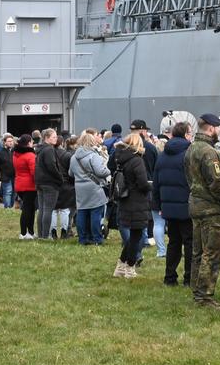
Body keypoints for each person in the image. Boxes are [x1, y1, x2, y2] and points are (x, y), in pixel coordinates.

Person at [183, 114, 220, 310]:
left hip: (196, 204)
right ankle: (204, 295)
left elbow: (189, 178)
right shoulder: (209, 152)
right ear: (211, 128)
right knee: (212, 253)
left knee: (198, 251)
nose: (219, 132)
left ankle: (197, 288)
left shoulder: (191, 148)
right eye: (218, 128)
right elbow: (217, 182)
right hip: (212, 209)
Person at [154, 123, 193, 286]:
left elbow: (156, 182)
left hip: (168, 206)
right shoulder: (189, 154)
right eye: (190, 133)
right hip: (186, 205)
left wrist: (159, 205)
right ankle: (189, 278)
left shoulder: (163, 154)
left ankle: (169, 277)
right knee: (190, 243)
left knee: (174, 242)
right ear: (185, 134)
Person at [110, 131, 151, 278]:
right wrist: (150, 187)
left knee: (133, 236)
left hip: (125, 200)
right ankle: (130, 266)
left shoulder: (120, 158)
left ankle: (121, 266)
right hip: (137, 201)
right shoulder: (137, 160)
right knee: (136, 236)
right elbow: (142, 183)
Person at [69, 130, 110, 246]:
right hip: (94, 186)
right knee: (96, 213)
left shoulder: (74, 157)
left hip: (80, 187)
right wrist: (108, 170)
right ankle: (96, 238)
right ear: (92, 142)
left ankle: (83, 238)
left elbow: (70, 173)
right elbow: (101, 171)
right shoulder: (93, 155)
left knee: (82, 212)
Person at [11, 135, 38, 239]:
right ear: (28, 143)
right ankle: (24, 233)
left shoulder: (15, 154)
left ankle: (29, 232)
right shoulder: (30, 155)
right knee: (28, 209)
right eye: (31, 142)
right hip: (30, 185)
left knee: (29, 208)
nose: (33, 143)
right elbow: (34, 172)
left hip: (19, 183)